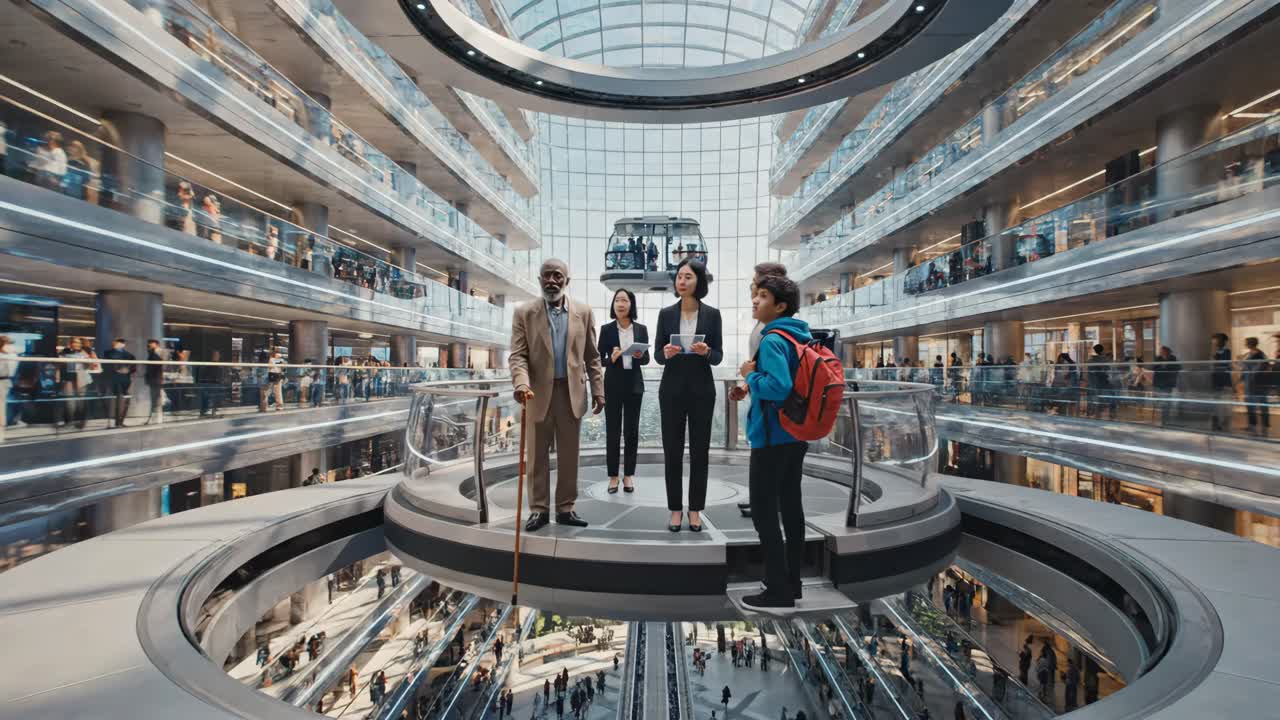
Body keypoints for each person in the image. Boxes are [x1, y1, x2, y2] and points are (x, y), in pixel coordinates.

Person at [509, 258, 605, 532]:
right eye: (546, 276)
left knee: (569, 455)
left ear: (566, 280)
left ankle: (566, 508)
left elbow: (592, 356)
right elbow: (518, 355)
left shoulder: (584, 312)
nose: (551, 280)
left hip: (571, 392)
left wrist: (599, 391)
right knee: (537, 455)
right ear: (539, 280)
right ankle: (538, 510)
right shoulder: (524, 313)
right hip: (535, 393)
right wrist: (521, 384)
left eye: (557, 275)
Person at [741, 275, 810, 609]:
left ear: (780, 306)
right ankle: (793, 583)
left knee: (764, 513)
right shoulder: (800, 336)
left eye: (763, 296)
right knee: (792, 508)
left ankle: (777, 588)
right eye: (756, 295)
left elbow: (778, 387)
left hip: (771, 437)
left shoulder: (772, 340)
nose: (755, 300)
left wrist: (748, 376)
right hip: (797, 434)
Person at [655, 259, 723, 532]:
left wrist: (706, 351)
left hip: (701, 391)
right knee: (672, 452)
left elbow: (718, 356)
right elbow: (658, 355)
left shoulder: (713, 314)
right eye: (679, 277)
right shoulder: (666, 314)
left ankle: (695, 509)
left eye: (688, 277)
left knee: (699, 453)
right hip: (671, 390)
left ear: (699, 282)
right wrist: (665, 353)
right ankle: (675, 509)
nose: (681, 281)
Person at [598, 288, 649, 494]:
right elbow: (598, 359)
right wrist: (612, 358)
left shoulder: (641, 329)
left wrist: (637, 354)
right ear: (613, 305)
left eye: (624, 300)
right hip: (613, 385)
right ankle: (613, 477)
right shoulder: (607, 329)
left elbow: (646, 358)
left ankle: (628, 475)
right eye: (617, 300)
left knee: (631, 432)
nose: (620, 304)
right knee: (613, 432)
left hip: (634, 385)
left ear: (631, 304)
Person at [102, 338, 136, 427]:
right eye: (117, 342)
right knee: (120, 399)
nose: (119, 344)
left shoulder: (129, 355)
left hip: (125, 380)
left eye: (121, 343)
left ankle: (120, 421)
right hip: (114, 379)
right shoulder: (108, 353)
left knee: (125, 399)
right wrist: (118, 370)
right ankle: (118, 422)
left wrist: (127, 370)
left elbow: (133, 367)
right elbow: (106, 365)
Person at [1243, 336, 1270, 434]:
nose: (1245, 344)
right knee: (1250, 405)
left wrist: (1250, 372)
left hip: (1257, 384)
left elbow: (1260, 368)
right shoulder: (1249, 354)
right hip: (1249, 383)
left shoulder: (1260, 354)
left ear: (1250, 344)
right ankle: (1252, 425)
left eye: (1246, 342)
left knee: (1262, 405)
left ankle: (1264, 425)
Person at [1086, 344, 1116, 420]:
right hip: (1101, 384)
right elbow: (1106, 372)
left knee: (1095, 400)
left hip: (1092, 384)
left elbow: (1089, 373)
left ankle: (1093, 414)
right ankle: (1110, 415)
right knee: (1111, 396)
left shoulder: (1090, 361)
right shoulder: (1104, 360)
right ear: (1102, 351)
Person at [1211, 333, 1234, 431]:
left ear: (1222, 341)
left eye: (1216, 339)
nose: (1214, 342)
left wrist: (1215, 361)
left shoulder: (1226, 351)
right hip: (1217, 380)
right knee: (1217, 403)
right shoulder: (1217, 352)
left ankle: (1224, 423)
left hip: (1224, 381)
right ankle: (1218, 423)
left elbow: (1224, 365)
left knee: (1224, 404)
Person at [1153, 346, 1180, 425]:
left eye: (1162, 351)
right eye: (1160, 351)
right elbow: (1154, 368)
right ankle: (1164, 418)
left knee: (1166, 401)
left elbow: (1177, 368)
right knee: (1163, 401)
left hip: (1168, 383)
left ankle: (1165, 419)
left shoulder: (1173, 358)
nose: (1161, 352)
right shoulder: (1158, 358)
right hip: (1159, 383)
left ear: (1166, 351)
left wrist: (1164, 368)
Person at [144, 339, 165, 424]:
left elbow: (160, 365)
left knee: (156, 399)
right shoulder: (151, 353)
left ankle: (156, 418)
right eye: (149, 345)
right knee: (155, 399)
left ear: (156, 345)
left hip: (157, 379)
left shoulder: (156, 353)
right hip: (154, 379)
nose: (149, 346)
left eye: (151, 344)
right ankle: (155, 418)